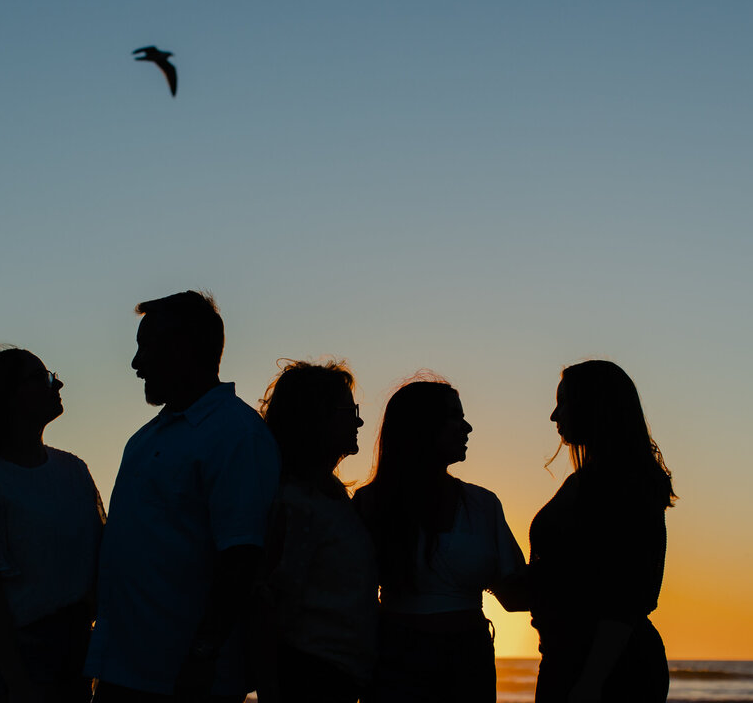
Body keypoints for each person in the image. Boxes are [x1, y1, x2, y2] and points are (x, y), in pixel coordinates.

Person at [86, 291, 280, 703]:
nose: (136, 363)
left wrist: (202, 654)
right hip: (123, 668)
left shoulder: (235, 433)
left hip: (182, 678)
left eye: (146, 348)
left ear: (182, 349)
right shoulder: (145, 439)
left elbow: (242, 556)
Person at [0, 346, 105, 703]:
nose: (57, 384)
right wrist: (17, 683)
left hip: (77, 648)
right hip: (21, 654)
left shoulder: (73, 470)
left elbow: (101, 559)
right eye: (41, 378)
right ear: (8, 396)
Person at [354, 377, 526, 703]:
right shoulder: (371, 503)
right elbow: (351, 594)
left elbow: (516, 594)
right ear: (421, 426)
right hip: (397, 661)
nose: (467, 428)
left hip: (468, 661)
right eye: (455, 417)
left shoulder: (483, 504)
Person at [527, 360, 676, 703]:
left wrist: (590, 682)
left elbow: (625, 596)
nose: (554, 415)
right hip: (568, 656)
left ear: (594, 406)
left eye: (563, 402)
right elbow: (571, 578)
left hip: (608, 666)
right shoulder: (588, 481)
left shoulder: (623, 486)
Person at [255, 359, 379, 703]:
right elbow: (271, 606)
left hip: (339, 676)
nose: (358, 421)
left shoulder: (333, 497)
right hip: (310, 677)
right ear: (315, 418)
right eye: (349, 411)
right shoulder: (296, 503)